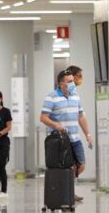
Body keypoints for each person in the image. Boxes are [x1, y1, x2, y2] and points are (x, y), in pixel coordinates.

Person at [40, 70, 94, 202]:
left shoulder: (76, 96)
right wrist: (56, 125)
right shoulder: (51, 97)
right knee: (65, 167)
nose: (72, 83)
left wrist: (88, 133)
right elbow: (43, 117)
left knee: (80, 165)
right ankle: (67, 193)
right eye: (69, 81)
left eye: (73, 81)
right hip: (60, 140)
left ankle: (66, 190)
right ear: (61, 83)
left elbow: (81, 117)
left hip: (75, 138)